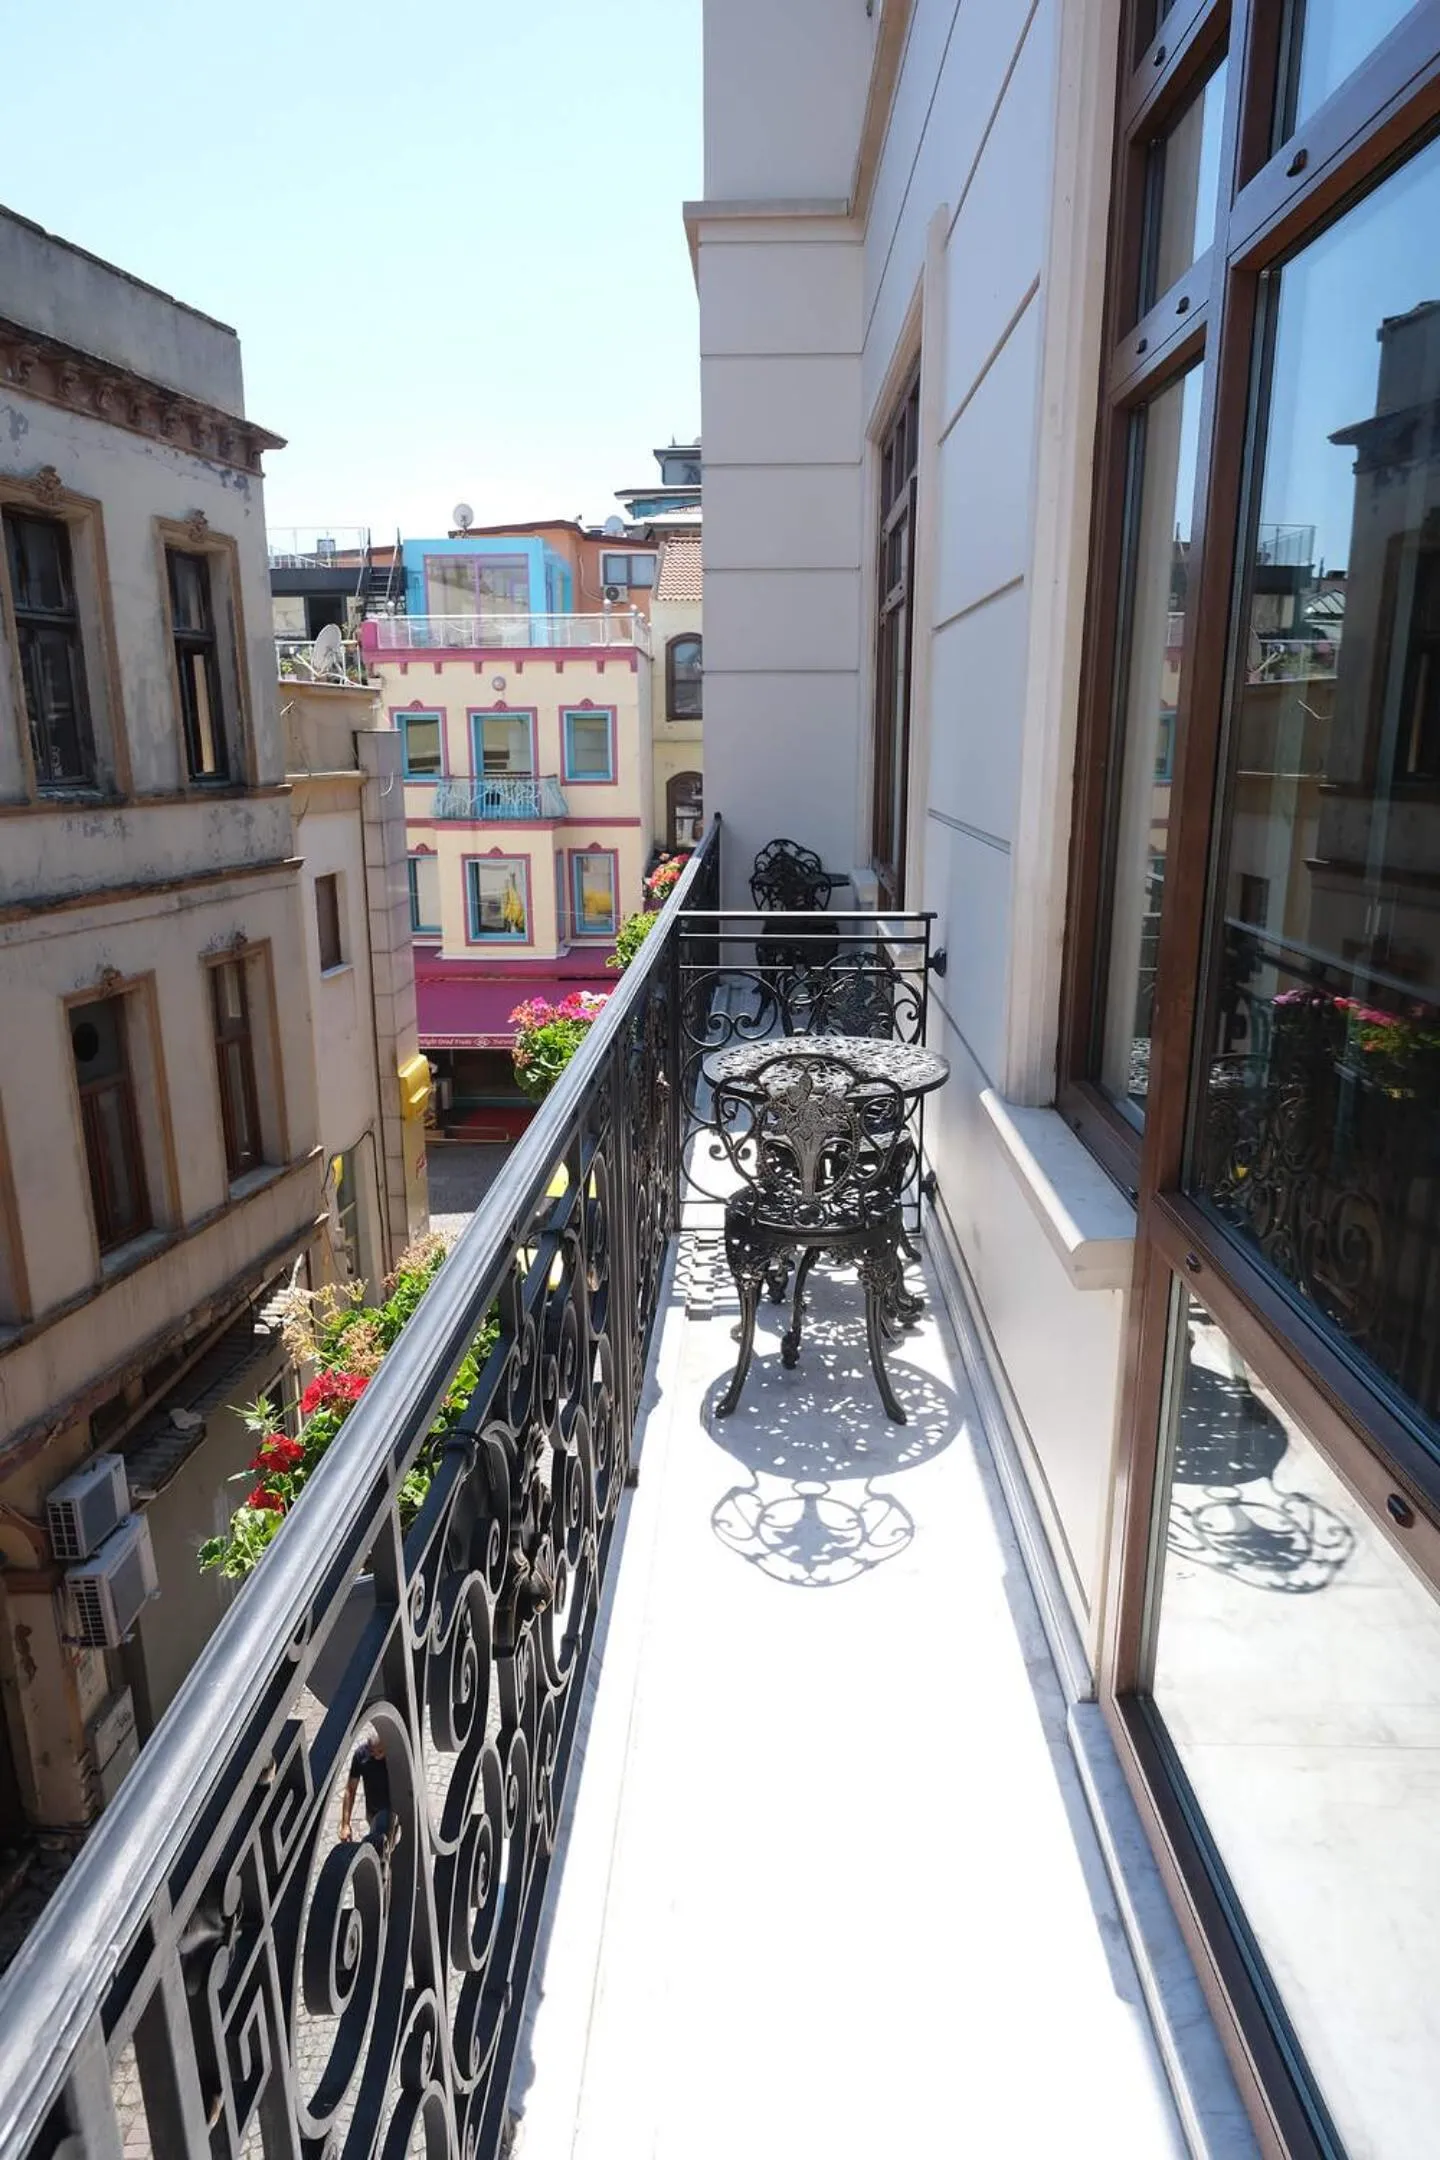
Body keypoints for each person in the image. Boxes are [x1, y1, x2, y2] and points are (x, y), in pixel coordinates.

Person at [338, 1730, 396, 1856]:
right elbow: (350, 1790)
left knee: (388, 1849)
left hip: (393, 1811)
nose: (376, 1756)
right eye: (372, 1752)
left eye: (380, 1752)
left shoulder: (394, 1755)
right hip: (373, 1812)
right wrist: (345, 1824)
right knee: (379, 1848)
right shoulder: (361, 1756)